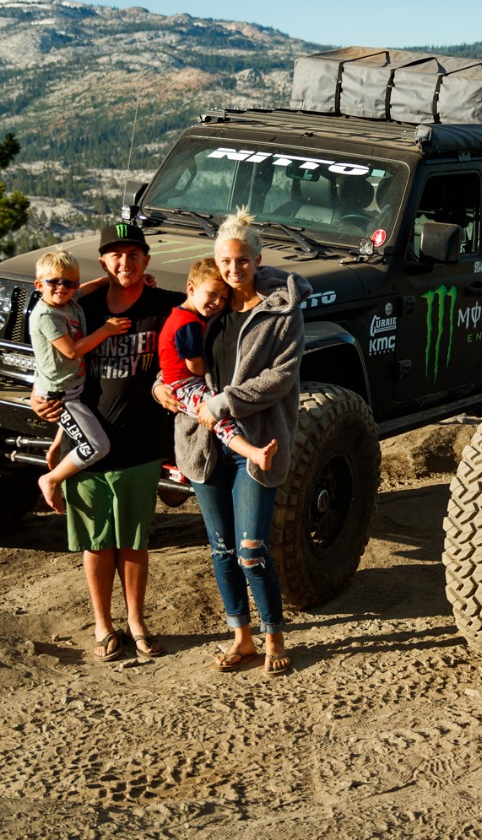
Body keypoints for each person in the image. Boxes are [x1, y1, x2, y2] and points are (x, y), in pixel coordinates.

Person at [164, 208, 309, 676]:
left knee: (251, 548)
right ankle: (241, 638)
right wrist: (159, 388)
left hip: (258, 438)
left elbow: (281, 378)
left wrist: (224, 403)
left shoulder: (281, 311)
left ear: (258, 258)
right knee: (221, 548)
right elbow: (173, 356)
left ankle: (273, 635)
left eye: (242, 261)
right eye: (225, 262)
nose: (233, 270)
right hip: (202, 442)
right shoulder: (211, 304)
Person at [30, 222, 179, 663]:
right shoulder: (81, 307)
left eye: (133, 254)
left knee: (134, 540)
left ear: (146, 260)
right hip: (88, 445)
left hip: (141, 442)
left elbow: (207, 311)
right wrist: (42, 403)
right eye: (115, 255)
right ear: (103, 261)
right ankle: (103, 624)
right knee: (97, 542)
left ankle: (136, 622)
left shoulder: (164, 305)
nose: (125, 262)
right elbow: (56, 368)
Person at [28, 249, 131, 514]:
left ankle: (54, 451)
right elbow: (72, 351)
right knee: (96, 446)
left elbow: (90, 287)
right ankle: (51, 479)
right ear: (39, 285)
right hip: (59, 393)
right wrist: (106, 330)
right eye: (54, 282)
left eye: (70, 283)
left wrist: (114, 279)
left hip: (72, 386)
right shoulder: (47, 316)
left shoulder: (69, 301)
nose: (63, 288)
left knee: (78, 422)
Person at [159, 256, 278, 473]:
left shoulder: (183, 315)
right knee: (217, 417)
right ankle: (253, 453)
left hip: (181, 382)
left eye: (223, 298)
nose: (217, 303)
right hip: (183, 386)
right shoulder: (188, 324)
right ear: (191, 288)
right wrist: (210, 371)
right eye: (212, 294)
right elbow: (194, 364)